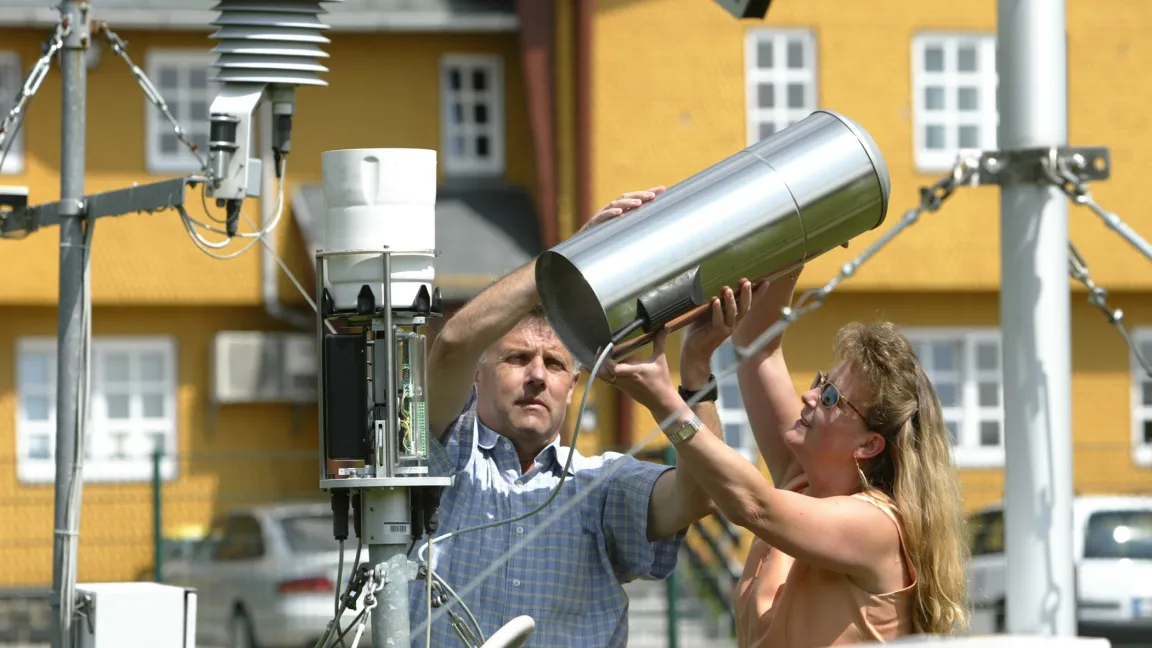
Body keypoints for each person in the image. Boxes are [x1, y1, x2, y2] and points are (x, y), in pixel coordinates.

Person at [410, 186, 724, 648]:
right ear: (478, 374)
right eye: (517, 358)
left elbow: (702, 493)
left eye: (555, 364)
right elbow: (454, 344)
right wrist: (565, 262)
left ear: (573, 386)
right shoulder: (438, 453)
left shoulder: (601, 484)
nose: (537, 375)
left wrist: (694, 373)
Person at [604, 267, 970, 647]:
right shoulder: (803, 480)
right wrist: (795, 243)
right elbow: (756, 343)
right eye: (820, 383)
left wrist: (665, 403)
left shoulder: (877, 525)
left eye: (830, 398)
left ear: (869, 445)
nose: (810, 397)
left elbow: (754, 505)